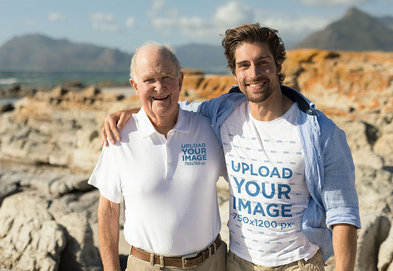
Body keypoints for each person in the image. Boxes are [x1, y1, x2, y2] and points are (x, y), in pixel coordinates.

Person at [102, 24, 360, 271]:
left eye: (263, 63)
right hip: (237, 262)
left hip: (298, 263)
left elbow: (343, 214)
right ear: (235, 72)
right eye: (244, 65)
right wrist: (135, 113)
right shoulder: (222, 114)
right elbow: (169, 108)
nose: (254, 73)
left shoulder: (320, 132)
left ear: (279, 65)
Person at [89, 42, 228, 271]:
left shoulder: (208, 128)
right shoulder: (118, 138)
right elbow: (108, 211)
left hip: (211, 263)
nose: (159, 87)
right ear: (135, 86)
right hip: (148, 266)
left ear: (180, 80)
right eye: (149, 80)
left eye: (166, 77)